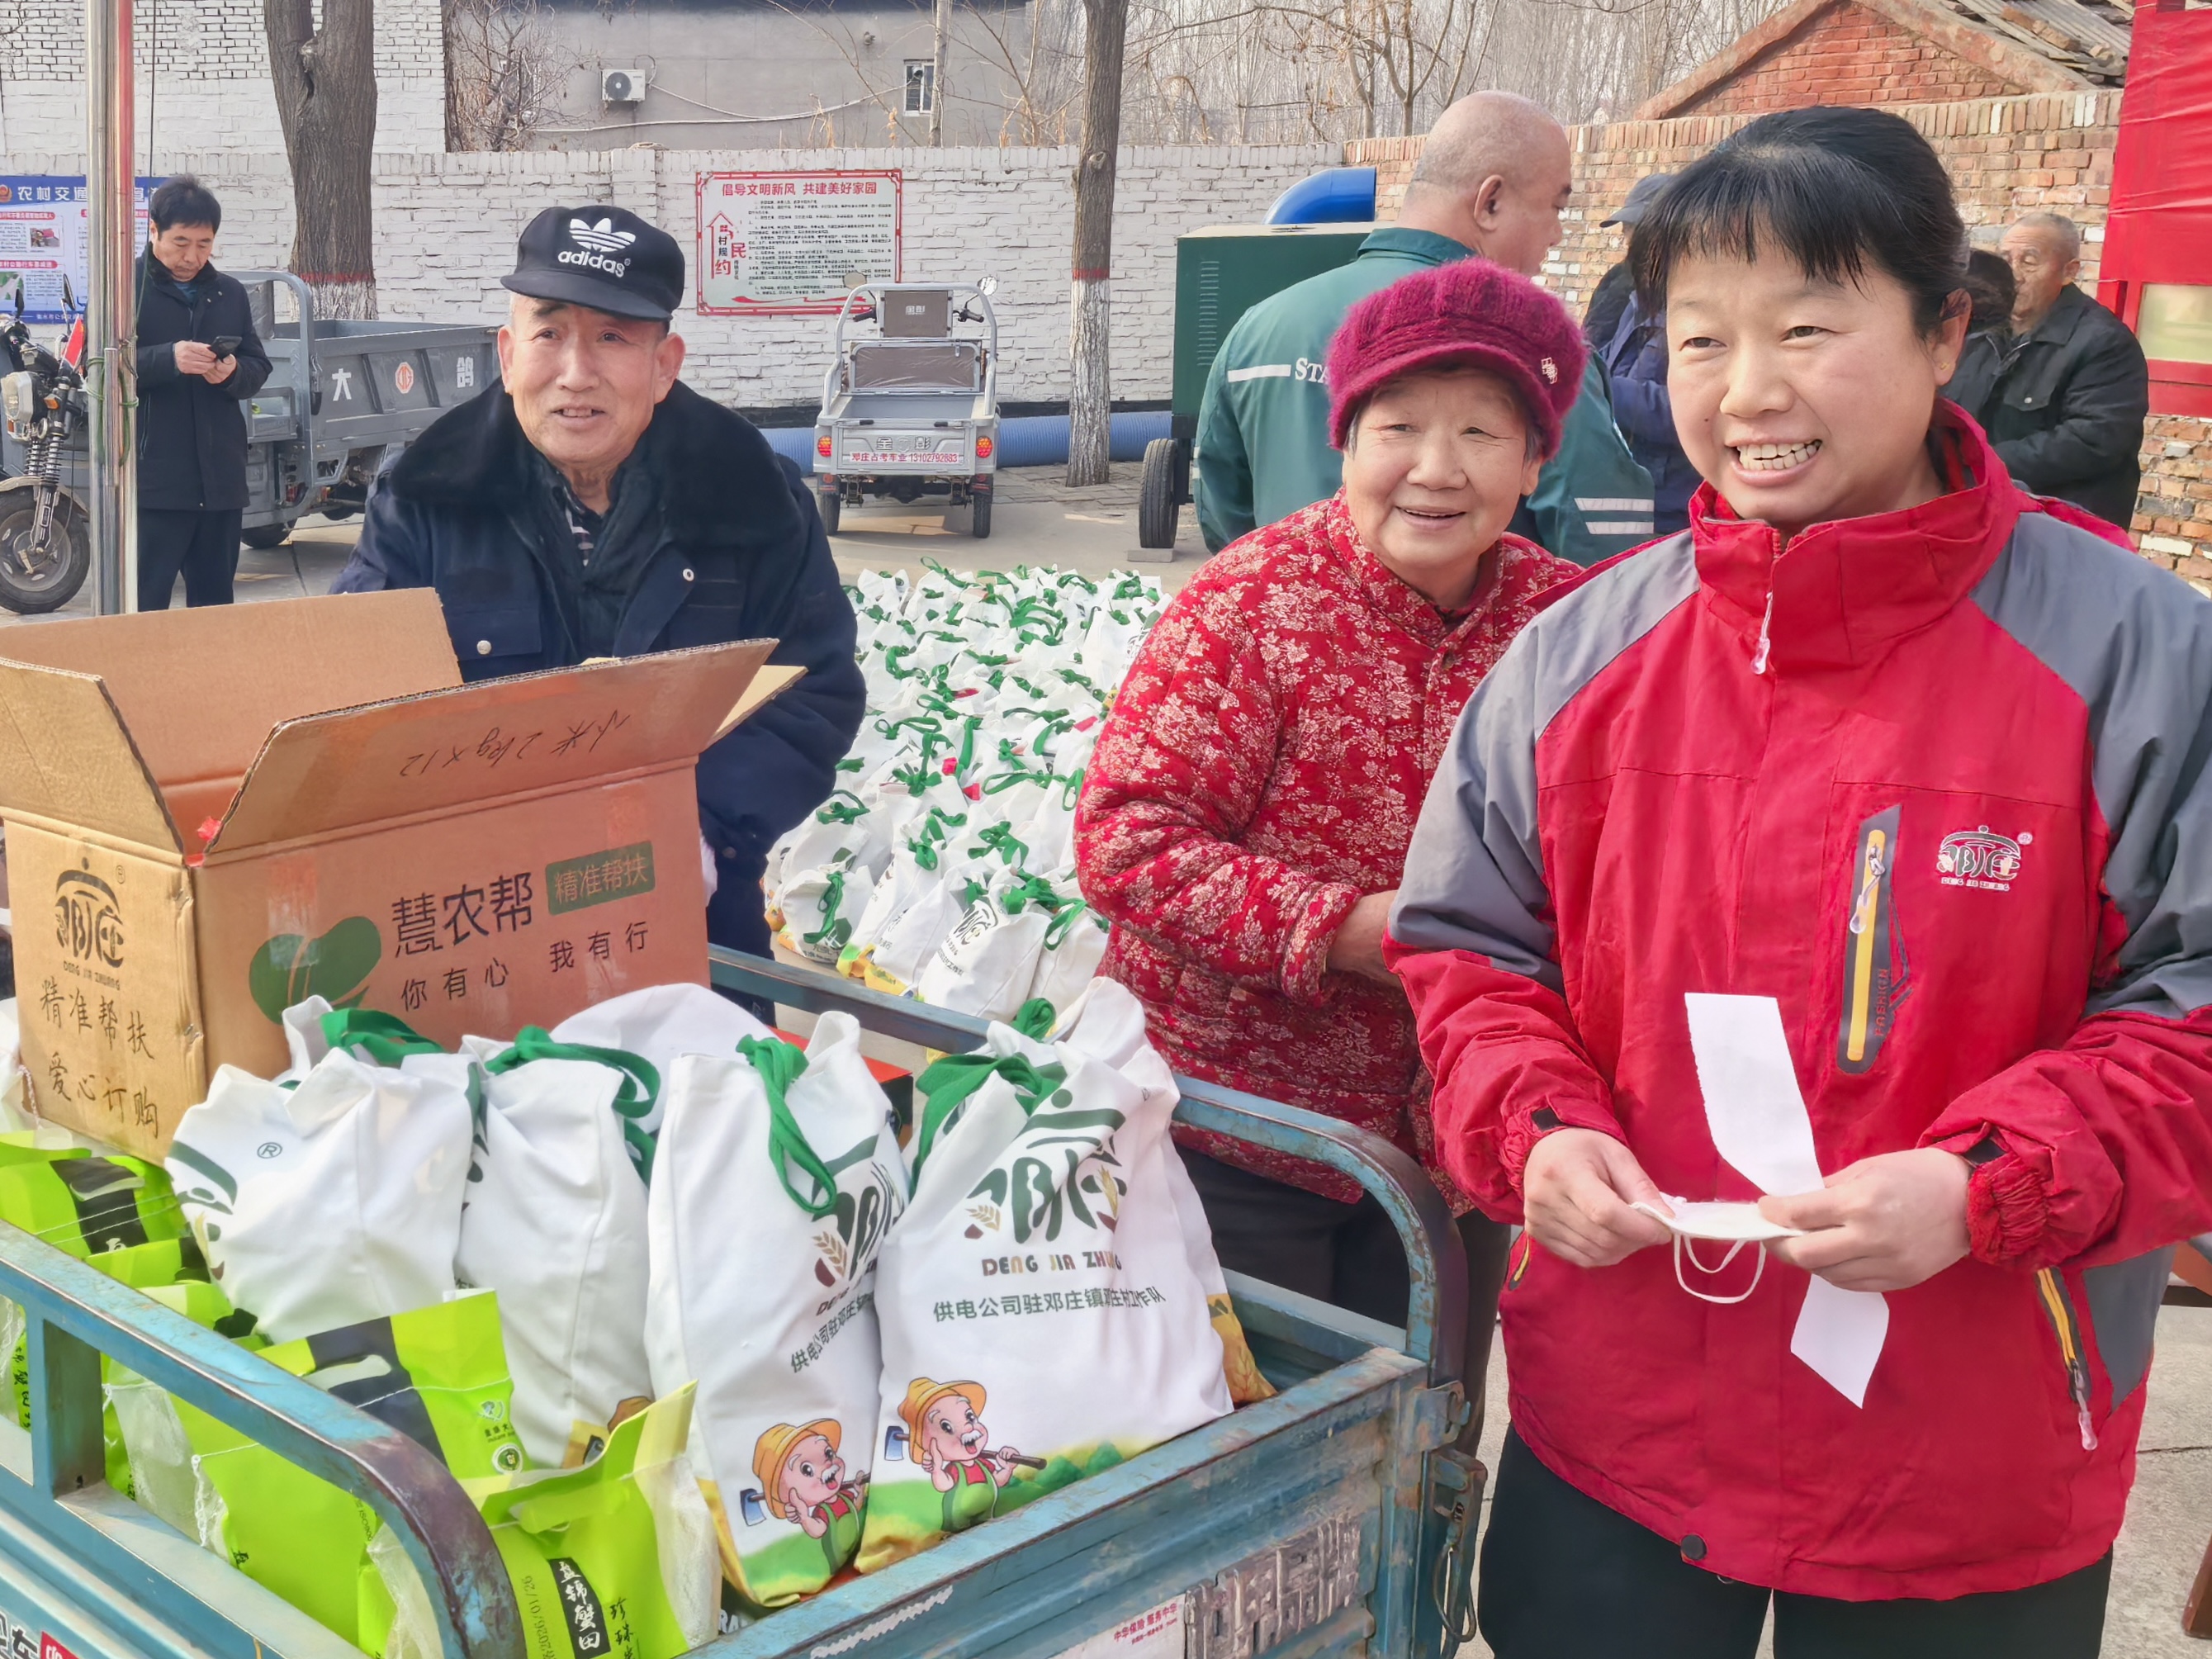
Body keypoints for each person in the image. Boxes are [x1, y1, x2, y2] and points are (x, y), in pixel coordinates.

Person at [1389, 106, 2212, 1657]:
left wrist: (1986, 1184)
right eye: (1698, 339)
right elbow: (1469, 953)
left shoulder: (2138, 654)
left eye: (1805, 329)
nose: (1745, 391)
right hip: (1625, 1415)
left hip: (1966, 1447)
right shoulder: (1579, 653)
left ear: (1943, 330)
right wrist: (1534, 1128)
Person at [1079, 258, 1586, 1434]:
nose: (1436, 468)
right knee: (1247, 1453)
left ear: (1533, 462)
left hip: (1459, 1138)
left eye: (1480, 431)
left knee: (1421, 1443)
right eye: (1397, 427)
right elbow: (1125, 839)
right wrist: (1349, 931)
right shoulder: (1252, 604)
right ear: (1345, 441)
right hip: (1243, 1137)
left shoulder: (1567, 624)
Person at [335, 205, 865, 967]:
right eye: (549, 333)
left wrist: (697, 827)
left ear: (664, 365)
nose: (575, 373)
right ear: (508, 354)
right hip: (478, 923)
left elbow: (814, 692)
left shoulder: (752, 498)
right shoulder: (426, 496)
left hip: (693, 917)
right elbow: (356, 702)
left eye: (612, 337)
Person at [1193, 91, 1653, 566]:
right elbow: (1607, 556)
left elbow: (1226, 522)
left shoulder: (1260, 328)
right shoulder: (1537, 354)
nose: (1557, 234)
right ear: (1490, 202)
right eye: (1556, 208)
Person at [1944, 211, 2150, 529]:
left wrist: (1979, 461)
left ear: (2069, 272)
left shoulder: (2104, 342)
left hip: (2061, 525)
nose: (2014, 275)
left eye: (2029, 261)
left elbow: (2093, 440)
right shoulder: (1976, 329)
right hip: (1976, 515)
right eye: (2005, 260)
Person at [133, 176, 272, 610]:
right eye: (180, 242)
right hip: (154, 483)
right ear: (154, 230)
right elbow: (94, 370)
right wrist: (167, 359)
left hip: (220, 480)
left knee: (214, 609)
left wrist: (232, 374)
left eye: (204, 244)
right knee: (145, 605)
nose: (192, 257)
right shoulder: (122, 289)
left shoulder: (228, 293)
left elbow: (257, 367)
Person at [1582, 172, 1674, 352]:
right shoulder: (1619, 280)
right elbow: (1592, 349)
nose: (1626, 235)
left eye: (1633, 226)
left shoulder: (1681, 288)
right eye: (1626, 226)